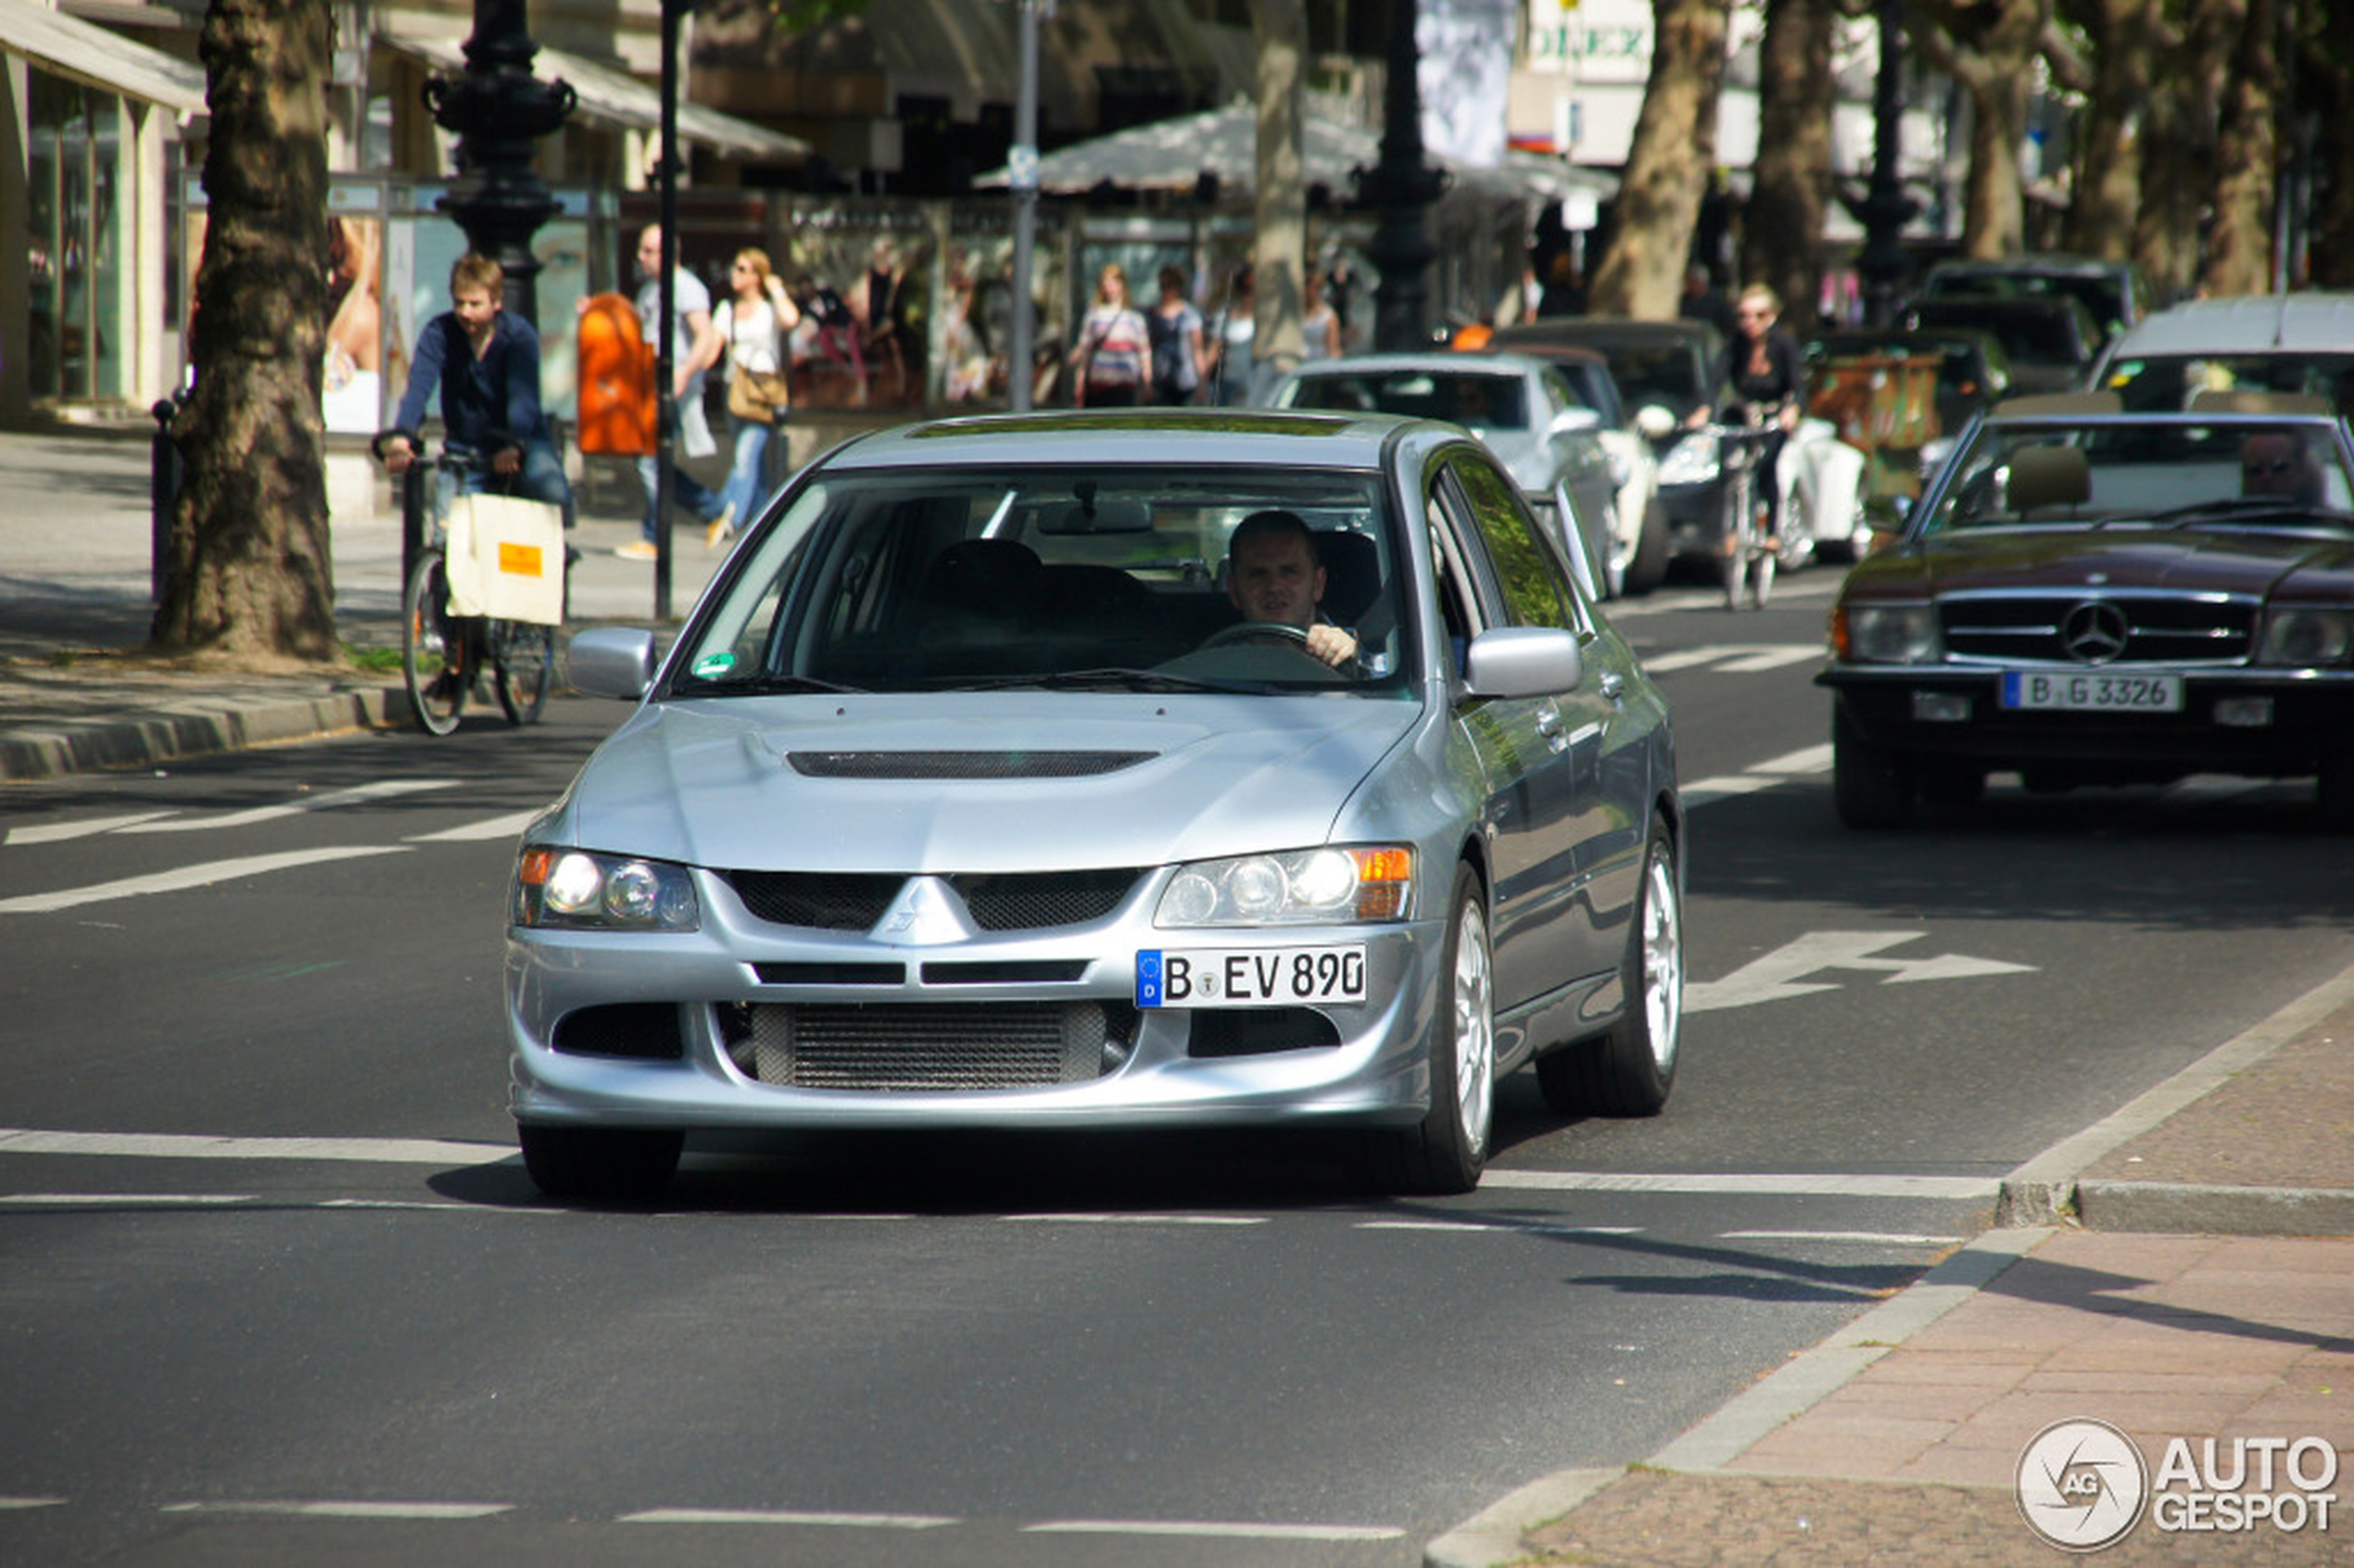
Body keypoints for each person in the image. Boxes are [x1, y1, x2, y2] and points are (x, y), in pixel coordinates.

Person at [375, 250, 573, 530]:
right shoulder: (440, 333)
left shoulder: (518, 336)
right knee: (448, 535)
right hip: (465, 447)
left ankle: (558, 559)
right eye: (459, 302)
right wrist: (402, 437)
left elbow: (523, 398)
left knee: (550, 493)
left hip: (519, 440)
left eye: (475, 304)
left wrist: (514, 443)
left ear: (497, 302)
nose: (465, 312)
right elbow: (418, 387)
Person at [601, 223, 727, 561]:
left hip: (673, 386)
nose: (640, 257)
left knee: (650, 458)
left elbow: (705, 334)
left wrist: (685, 373)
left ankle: (656, 535)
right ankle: (711, 509)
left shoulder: (685, 287)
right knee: (655, 459)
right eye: (641, 250)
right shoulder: (650, 290)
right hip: (651, 382)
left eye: (648, 250)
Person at [1693, 282, 1805, 543]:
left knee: (1767, 467)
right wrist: (1704, 408)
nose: (1749, 322)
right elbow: (1716, 379)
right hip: (1743, 412)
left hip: (1773, 414)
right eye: (1743, 315)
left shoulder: (1783, 344)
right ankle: (1730, 530)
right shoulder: (1735, 345)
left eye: (1759, 315)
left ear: (1772, 315)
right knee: (1728, 462)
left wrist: (1792, 410)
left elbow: (1799, 385)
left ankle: (1772, 532)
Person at [709, 247, 801, 550]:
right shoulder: (727, 309)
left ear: (757, 276)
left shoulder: (768, 308)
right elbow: (712, 348)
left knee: (745, 457)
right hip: (735, 391)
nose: (735, 273)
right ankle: (764, 521)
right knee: (755, 465)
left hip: (764, 393)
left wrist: (776, 288)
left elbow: (791, 319)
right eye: (734, 267)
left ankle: (729, 518)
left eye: (743, 269)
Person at [1220, 509, 1358, 672]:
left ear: (1318, 583)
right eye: (1258, 574)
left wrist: (1353, 663)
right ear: (1234, 591)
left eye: (1289, 572)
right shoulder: (1210, 667)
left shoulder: (1374, 656)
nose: (1274, 587)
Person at [1069, 262, 1149, 407]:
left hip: (1126, 386)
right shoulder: (1093, 316)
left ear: (1122, 285)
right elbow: (1085, 352)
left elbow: (1144, 352)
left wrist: (1147, 382)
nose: (1109, 287)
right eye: (1105, 283)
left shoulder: (1134, 318)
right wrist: (1079, 383)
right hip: (1099, 386)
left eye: (1114, 282)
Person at [1145, 264, 1209, 406]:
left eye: (1170, 285)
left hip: (1185, 382)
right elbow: (1148, 348)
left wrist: (1202, 383)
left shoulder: (1190, 314)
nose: (1166, 290)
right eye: (1163, 286)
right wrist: (1147, 381)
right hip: (1160, 381)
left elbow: (1198, 350)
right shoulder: (1154, 314)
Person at [1209, 263, 1257, 407]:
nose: (1248, 295)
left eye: (1252, 290)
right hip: (1230, 382)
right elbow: (1214, 349)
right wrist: (1202, 381)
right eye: (1244, 289)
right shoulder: (1227, 314)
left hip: (1255, 384)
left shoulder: (1265, 318)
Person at [2240, 430, 2326, 505]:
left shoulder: (2329, 522)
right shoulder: (2231, 521)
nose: (2267, 477)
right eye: (2256, 470)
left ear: (2300, 470)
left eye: (2279, 468)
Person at [1300, 270, 1340, 361]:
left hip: (1319, 362)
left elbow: (1333, 349)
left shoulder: (1328, 316)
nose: (1308, 294)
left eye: (1312, 290)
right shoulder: (1298, 314)